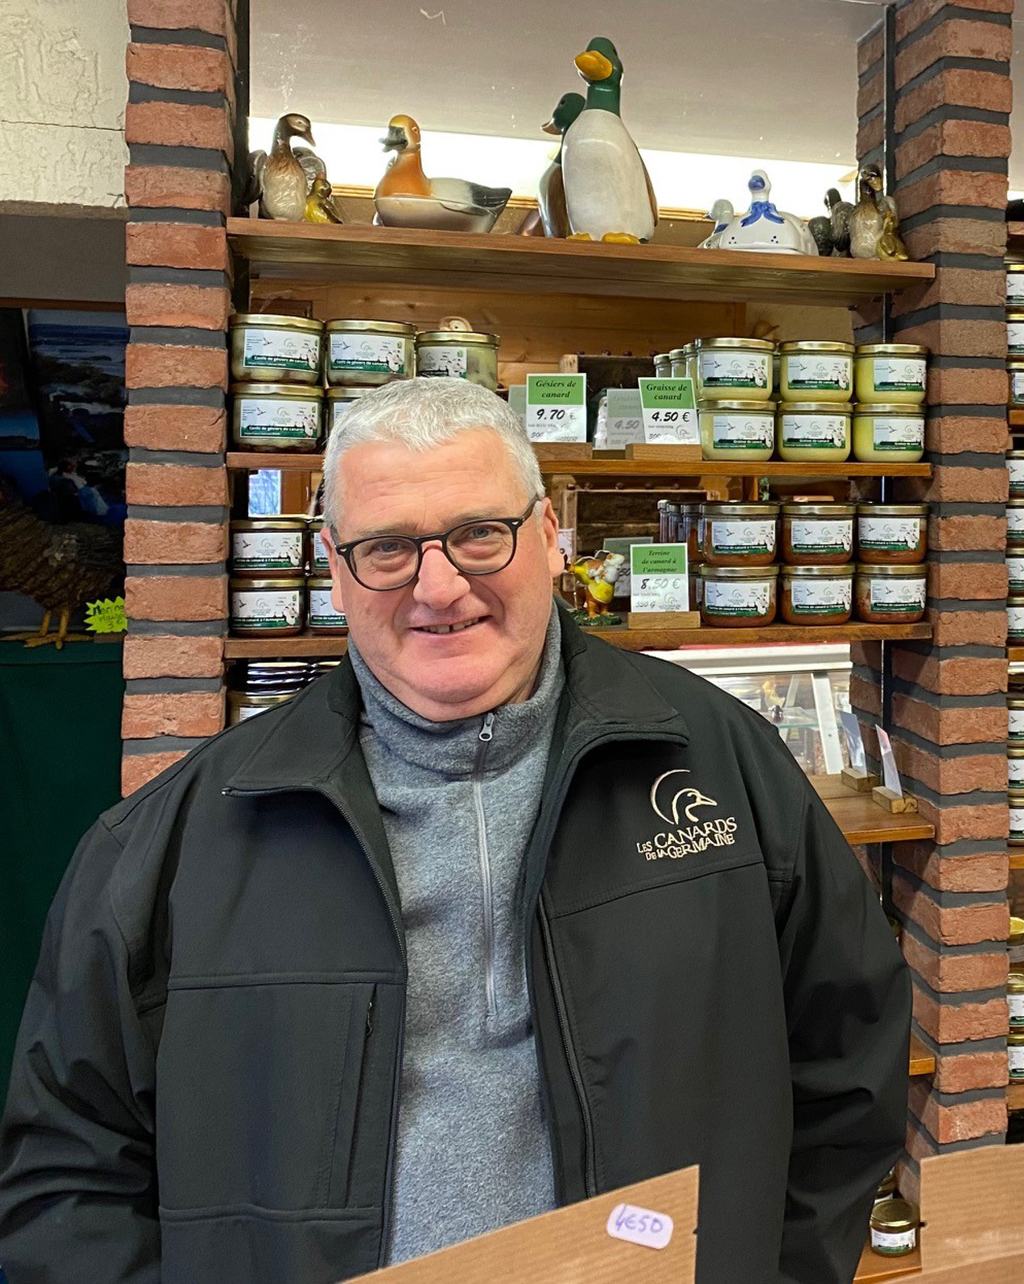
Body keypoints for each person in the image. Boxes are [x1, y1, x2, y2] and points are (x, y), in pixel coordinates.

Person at [0, 377, 910, 1283]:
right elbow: (65, 1173)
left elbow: (851, 1061)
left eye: (481, 533)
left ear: (551, 536)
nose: (440, 586)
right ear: (333, 563)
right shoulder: (178, 842)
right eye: (388, 548)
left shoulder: (724, 768)